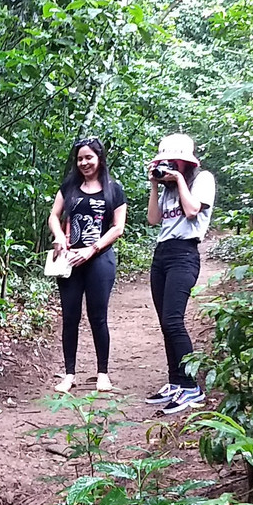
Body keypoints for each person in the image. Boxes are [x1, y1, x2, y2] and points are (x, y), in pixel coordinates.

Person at [47, 137, 128, 394]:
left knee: (98, 317)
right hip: (69, 260)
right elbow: (53, 215)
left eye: (89, 157)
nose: (84, 162)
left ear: (99, 159)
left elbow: (118, 227)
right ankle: (69, 374)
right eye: (80, 158)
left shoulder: (113, 189)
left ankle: (102, 373)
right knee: (70, 317)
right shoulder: (69, 186)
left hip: (99, 260)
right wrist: (59, 236)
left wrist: (92, 250)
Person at [145, 133, 216, 414]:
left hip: (185, 254)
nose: (168, 165)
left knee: (174, 320)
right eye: (165, 162)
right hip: (162, 254)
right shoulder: (167, 187)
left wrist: (178, 181)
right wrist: (155, 185)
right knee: (165, 322)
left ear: (185, 162)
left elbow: (192, 211)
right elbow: (153, 219)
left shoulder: (202, 180)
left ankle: (191, 387)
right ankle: (175, 381)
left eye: (173, 161)